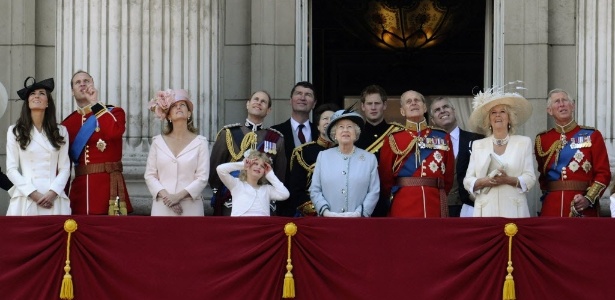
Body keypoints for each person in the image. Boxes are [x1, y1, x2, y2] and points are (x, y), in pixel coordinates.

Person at [62, 70, 132, 215]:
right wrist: (61, 196)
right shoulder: (67, 124)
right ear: (72, 92)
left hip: (108, 189)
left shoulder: (114, 113)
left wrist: (95, 104)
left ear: (93, 85)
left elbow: (114, 133)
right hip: (80, 192)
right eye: (77, 82)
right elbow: (64, 164)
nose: (82, 84)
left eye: (86, 81)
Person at [535, 89, 611, 217]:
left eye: (565, 100)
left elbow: (603, 173)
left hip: (581, 205)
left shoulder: (592, 135)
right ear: (550, 110)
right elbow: (543, 178)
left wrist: (588, 199)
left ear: (573, 106)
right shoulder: (542, 139)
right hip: (552, 206)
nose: (562, 104)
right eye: (556, 102)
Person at [209, 90, 286, 216]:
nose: (259, 103)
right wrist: (219, 194)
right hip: (232, 201)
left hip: (262, 202)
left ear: (268, 110)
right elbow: (214, 171)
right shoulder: (228, 133)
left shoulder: (276, 139)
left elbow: (279, 174)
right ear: (248, 104)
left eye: (263, 101)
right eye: (255, 99)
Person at [378, 90, 454, 218]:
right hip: (403, 204)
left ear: (424, 108)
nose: (413, 103)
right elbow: (385, 179)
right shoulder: (393, 139)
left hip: (434, 204)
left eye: (417, 100)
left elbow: (448, 177)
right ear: (402, 111)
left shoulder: (442, 136)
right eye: (409, 102)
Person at [463, 89, 536, 217]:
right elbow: (468, 180)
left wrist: (507, 179)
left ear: (509, 118)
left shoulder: (523, 142)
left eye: (503, 112)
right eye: (493, 113)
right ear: (489, 120)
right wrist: (484, 182)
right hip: (485, 211)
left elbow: (530, 178)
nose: (498, 115)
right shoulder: (478, 145)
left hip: (514, 211)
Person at [5, 77, 70, 215]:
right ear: (27, 101)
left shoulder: (61, 131)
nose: (36, 96)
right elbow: (11, 169)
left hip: (53, 198)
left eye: (41, 93)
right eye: (32, 94)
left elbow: (65, 168)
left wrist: (52, 193)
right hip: (26, 197)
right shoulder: (14, 131)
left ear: (48, 102)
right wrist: (33, 194)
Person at [144, 89, 209, 216]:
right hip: (162, 206)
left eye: (182, 105)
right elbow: (150, 175)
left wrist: (178, 197)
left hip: (191, 207)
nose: (178, 107)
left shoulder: (201, 142)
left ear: (189, 113)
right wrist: (167, 197)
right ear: (168, 115)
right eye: (174, 106)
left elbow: (202, 177)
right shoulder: (158, 142)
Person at [310, 109, 379, 217]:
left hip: (359, 222)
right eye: (341, 127)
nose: (345, 130)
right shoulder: (323, 157)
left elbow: (374, 191)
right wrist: (325, 212)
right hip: (328, 221)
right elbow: (315, 189)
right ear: (335, 134)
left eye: (349, 127)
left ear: (356, 134)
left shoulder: (369, 159)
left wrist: (359, 213)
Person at [429, 97, 484, 217]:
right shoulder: (427, 145)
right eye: (437, 110)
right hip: (437, 207)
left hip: (470, 207)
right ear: (432, 120)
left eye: (446, 107)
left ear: (454, 111)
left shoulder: (477, 140)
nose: (442, 111)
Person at [355, 84, 403, 217]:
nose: (373, 107)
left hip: (390, 195)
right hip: (362, 196)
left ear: (385, 105)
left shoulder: (397, 133)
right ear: (363, 106)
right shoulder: (354, 136)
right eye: (369, 103)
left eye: (377, 103)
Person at [272, 81, 318, 216]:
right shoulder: (275, 132)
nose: (303, 98)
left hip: (315, 204)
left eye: (308, 95)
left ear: (314, 103)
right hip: (284, 204)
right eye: (298, 94)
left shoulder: (322, 134)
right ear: (290, 100)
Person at [288, 103, 339, 216]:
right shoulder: (303, 152)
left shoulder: (346, 152)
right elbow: (297, 190)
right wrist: (319, 210)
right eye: (325, 119)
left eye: (333, 119)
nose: (329, 121)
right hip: (311, 216)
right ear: (318, 126)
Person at [216, 150, 289, 216]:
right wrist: (242, 165)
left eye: (262, 166)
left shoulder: (267, 189)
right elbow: (220, 170)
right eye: (255, 164)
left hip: (262, 228)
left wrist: (270, 175)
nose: (258, 167)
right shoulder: (236, 184)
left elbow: (285, 194)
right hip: (241, 226)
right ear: (247, 166)